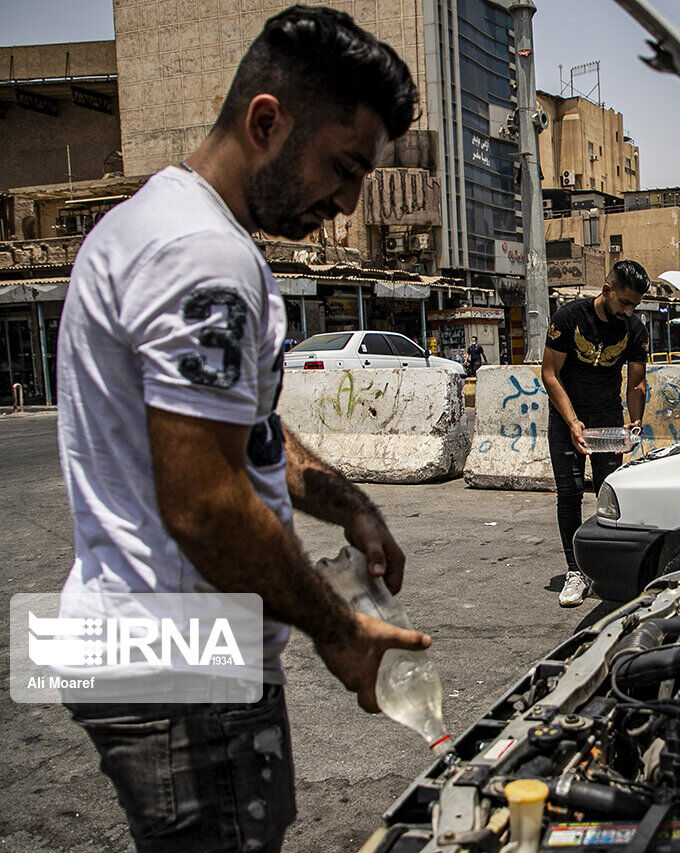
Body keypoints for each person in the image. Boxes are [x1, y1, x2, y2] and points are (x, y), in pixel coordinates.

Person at [55, 8, 425, 851]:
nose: (347, 202)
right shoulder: (200, 254)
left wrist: (349, 503)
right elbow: (207, 505)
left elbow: (250, 432)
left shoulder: (172, 226)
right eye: (344, 166)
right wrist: (342, 635)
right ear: (267, 122)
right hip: (176, 664)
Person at [541, 260, 650, 607]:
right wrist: (572, 422)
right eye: (624, 302)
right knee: (570, 493)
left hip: (607, 420)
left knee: (610, 495)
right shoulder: (568, 317)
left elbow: (636, 382)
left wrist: (634, 421)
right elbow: (549, 374)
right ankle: (575, 571)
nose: (629, 310)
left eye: (635, 305)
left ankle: (606, 569)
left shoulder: (634, 329)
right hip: (567, 418)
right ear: (607, 291)